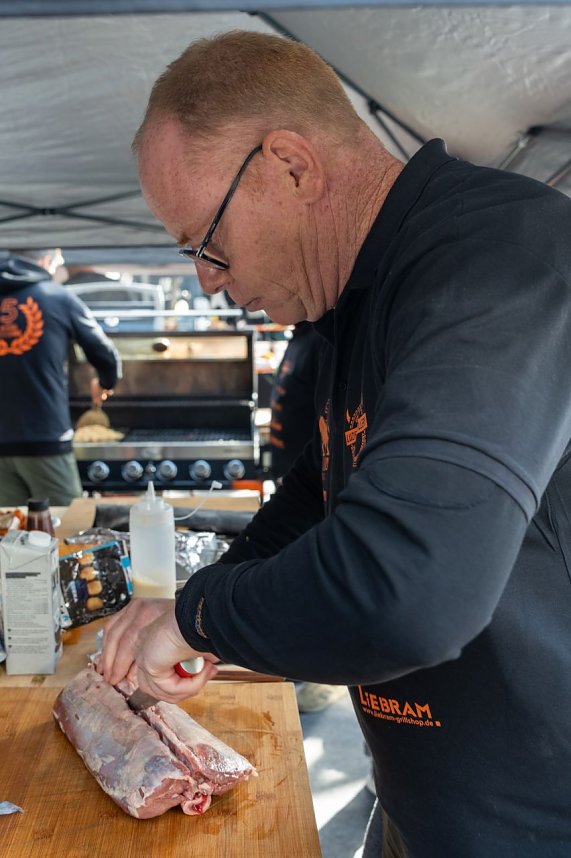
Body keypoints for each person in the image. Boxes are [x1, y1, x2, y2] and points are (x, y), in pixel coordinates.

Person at [99, 32, 571, 857]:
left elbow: (408, 591)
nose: (207, 279)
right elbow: (322, 489)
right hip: (427, 800)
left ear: (290, 164)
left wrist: (202, 616)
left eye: (205, 242)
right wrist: (204, 596)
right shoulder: (350, 304)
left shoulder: (496, 256)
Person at [0, 248, 121, 505]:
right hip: (45, 439)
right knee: (66, 528)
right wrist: (104, 382)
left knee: (8, 535)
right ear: (45, 260)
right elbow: (105, 354)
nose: (62, 263)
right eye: (58, 258)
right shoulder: (57, 297)